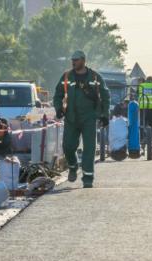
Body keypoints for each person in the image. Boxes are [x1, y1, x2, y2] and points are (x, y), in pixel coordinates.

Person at [53, 50, 110, 188]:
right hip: (71, 117)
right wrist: (59, 109)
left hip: (89, 118)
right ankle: (73, 166)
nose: (73, 62)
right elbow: (58, 95)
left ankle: (88, 178)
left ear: (83, 60)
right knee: (67, 146)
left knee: (89, 148)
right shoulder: (67, 77)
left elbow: (105, 96)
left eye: (76, 60)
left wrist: (104, 115)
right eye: (72, 60)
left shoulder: (95, 77)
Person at [137, 76, 152, 143]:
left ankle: (142, 138)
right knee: (151, 125)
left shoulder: (141, 86)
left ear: (146, 80)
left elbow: (137, 94)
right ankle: (151, 140)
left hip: (143, 108)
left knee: (142, 124)